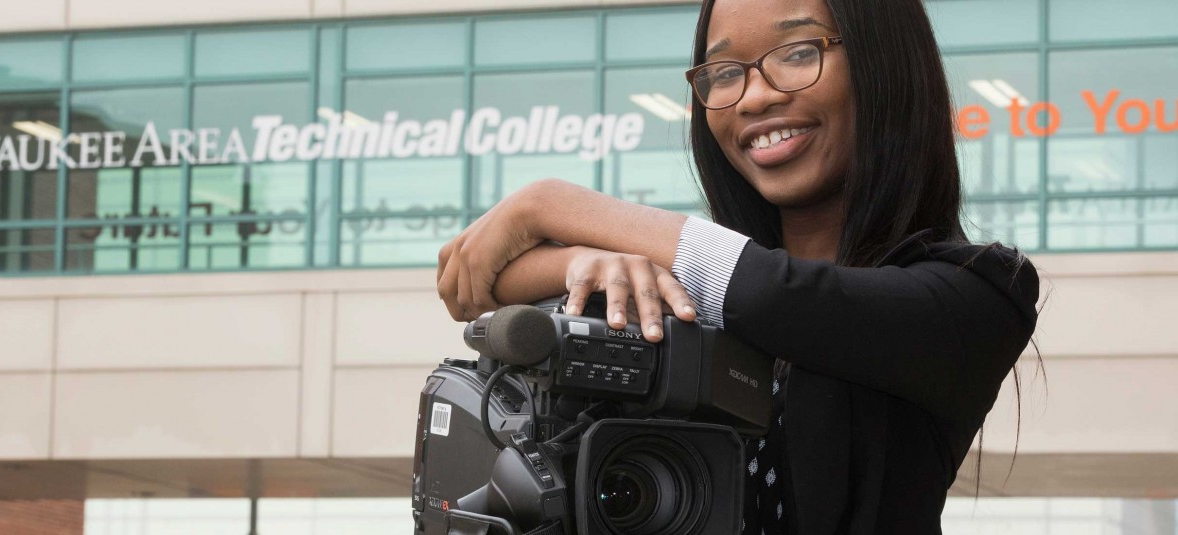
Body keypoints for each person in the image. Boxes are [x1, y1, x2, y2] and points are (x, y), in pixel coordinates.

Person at [435, 0, 1042, 533]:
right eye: (725, 72)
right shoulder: (691, 290)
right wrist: (584, 261)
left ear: (885, 63)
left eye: (799, 53)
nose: (754, 96)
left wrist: (548, 204)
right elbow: (472, 284)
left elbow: (778, 299)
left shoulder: (979, 294)